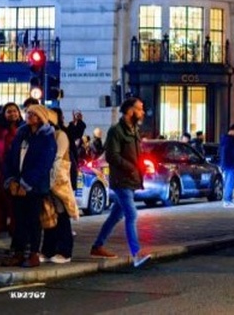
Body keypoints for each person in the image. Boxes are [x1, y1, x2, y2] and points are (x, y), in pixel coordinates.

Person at [89, 97, 152, 268]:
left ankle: (97, 246)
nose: (143, 112)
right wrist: (131, 167)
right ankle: (136, 254)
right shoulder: (116, 130)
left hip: (131, 179)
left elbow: (134, 154)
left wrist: (140, 167)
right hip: (122, 180)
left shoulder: (134, 130)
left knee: (116, 215)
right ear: (130, 110)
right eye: (140, 108)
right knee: (132, 215)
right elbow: (112, 156)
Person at [1, 105, 57, 268]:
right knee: (19, 221)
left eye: (33, 114)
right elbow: (10, 157)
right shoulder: (21, 134)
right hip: (17, 184)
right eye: (28, 113)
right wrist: (11, 180)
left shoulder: (47, 137)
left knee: (33, 221)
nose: (29, 116)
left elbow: (43, 164)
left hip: (35, 187)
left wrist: (26, 183)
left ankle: (33, 254)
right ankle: (18, 253)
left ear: (41, 117)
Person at [41, 108, 79, 264]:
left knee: (61, 214)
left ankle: (64, 251)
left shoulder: (60, 135)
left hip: (58, 180)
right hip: (46, 178)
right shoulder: (41, 135)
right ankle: (48, 250)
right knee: (49, 215)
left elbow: (58, 158)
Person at [0, 102, 21, 253]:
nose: (12, 114)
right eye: (9, 111)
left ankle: (16, 245)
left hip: (16, 173)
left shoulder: (22, 128)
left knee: (15, 211)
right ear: (4, 113)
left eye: (15, 111)